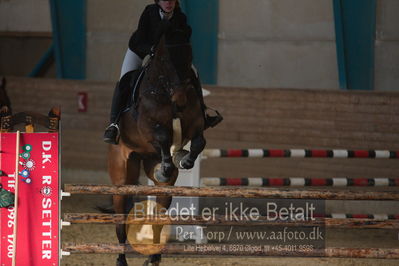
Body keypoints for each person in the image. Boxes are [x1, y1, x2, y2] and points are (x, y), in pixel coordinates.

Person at [103, 0, 223, 144]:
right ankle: (114, 124)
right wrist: (152, 49)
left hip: (167, 55)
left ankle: (203, 113)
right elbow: (141, 38)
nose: (169, 3)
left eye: (172, 0)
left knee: (194, 73)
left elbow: (184, 38)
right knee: (125, 78)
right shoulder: (149, 13)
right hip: (140, 49)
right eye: (165, 0)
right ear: (158, 1)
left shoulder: (180, 16)